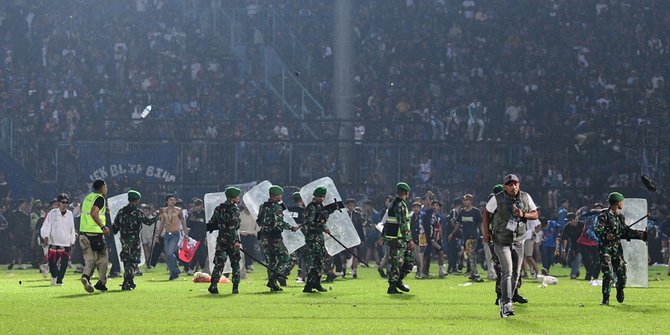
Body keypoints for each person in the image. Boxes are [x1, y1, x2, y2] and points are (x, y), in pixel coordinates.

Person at [482, 174, 538, 318]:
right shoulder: (497, 198)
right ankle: (506, 303)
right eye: (509, 184)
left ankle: (506, 299)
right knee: (507, 270)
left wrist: (523, 214)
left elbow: (535, 214)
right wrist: (486, 232)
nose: (513, 187)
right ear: (505, 186)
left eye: (515, 184)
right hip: (501, 240)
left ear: (519, 184)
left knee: (516, 274)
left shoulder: (526, 197)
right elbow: (486, 212)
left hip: (519, 240)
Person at [596, 192, 646, 305]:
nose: (622, 204)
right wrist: (606, 235)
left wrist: (638, 234)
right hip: (605, 249)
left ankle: (620, 289)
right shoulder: (603, 216)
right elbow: (597, 230)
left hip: (617, 250)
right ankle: (605, 299)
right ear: (618, 202)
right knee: (608, 274)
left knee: (622, 275)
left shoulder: (620, 217)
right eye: (621, 202)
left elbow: (625, 232)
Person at [112, 190, 160, 291]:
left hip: (124, 239)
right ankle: (127, 281)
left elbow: (115, 228)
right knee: (133, 261)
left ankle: (129, 280)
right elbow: (148, 222)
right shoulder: (137, 212)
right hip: (134, 240)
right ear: (137, 200)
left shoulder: (121, 211)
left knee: (126, 260)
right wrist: (158, 217)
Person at [257, 185, 298, 292]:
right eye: (280, 195)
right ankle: (273, 279)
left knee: (271, 261)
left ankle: (274, 285)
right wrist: (291, 227)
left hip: (263, 237)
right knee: (285, 258)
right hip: (274, 238)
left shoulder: (263, 206)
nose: (281, 197)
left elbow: (259, 220)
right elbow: (279, 223)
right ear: (275, 196)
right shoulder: (277, 207)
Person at [207, 187, 242, 295]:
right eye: (237, 196)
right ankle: (235, 287)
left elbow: (212, 223)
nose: (239, 198)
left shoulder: (218, 208)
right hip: (232, 240)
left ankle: (213, 285)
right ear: (234, 197)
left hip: (221, 239)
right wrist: (236, 242)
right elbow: (233, 227)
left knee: (219, 264)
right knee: (235, 263)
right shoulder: (235, 209)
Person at [79, 179, 112, 293]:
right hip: (96, 234)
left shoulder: (88, 197)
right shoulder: (100, 198)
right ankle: (101, 283)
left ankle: (86, 277)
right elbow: (93, 213)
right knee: (103, 259)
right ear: (102, 188)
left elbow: (87, 211)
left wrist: (104, 209)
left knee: (90, 260)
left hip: (83, 234)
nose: (106, 189)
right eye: (106, 187)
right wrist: (103, 227)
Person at [383, 182, 415, 294]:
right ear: (406, 193)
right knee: (397, 263)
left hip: (397, 238)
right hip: (398, 239)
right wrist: (409, 240)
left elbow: (388, 222)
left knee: (408, 260)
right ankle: (392, 286)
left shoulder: (394, 204)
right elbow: (403, 224)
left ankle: (398, 282)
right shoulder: (400, 205)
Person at [40, 194, 76, 286]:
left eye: (67, 202)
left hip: (66, 242)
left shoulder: (70, 214)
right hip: (54, 242)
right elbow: (46, 225)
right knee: (52, 263)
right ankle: (54, 276)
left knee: (64, 264)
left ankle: (59, 281)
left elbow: (72, 227)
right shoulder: (52, 213)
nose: (65, 204)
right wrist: (46, 236)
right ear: (59, 203)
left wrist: (72, 240)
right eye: (63, 202)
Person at [302, 186, 331, 293]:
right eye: (320, 197)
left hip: (319, 238)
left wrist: (324, 227)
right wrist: (322, 227)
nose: (322, 199)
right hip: (312, 238)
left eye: (323, 197)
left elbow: (322, 221)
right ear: (315, 196)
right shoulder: (311, 207)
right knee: (313, 262)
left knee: (320, 261)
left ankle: (317, 283)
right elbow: (309, 223)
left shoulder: (320, 207)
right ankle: (309, 285)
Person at [156, 194, 188, 280]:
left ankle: (175, 269)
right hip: (167, 234)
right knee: (168, 254)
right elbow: (162, 223)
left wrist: (186, 235)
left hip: (175, 233)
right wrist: (158, 235)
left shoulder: (178, 210)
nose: (173, 201)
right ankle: (173, 273)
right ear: (167, 201)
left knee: (170, 252)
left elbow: (183, 223)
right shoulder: (163, 210)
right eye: (171, 200)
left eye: (174, 200)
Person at [457, 194, 484, 282]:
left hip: (473, 236)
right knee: (469, 255)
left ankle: (475, 273)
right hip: (465, 236)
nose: (464, 201)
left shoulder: (475, 211)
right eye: (464, 200)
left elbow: (480, 224)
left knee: (471, 254)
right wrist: (453, 233)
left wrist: (484, 234)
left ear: (470, 201)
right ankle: (473, 272)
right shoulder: (462, 211)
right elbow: (458, 223)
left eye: (466, 200)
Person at [287, 192, 307, 283]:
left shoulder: (288, 210)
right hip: (301, 237)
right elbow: (304, 224)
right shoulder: (304, 211)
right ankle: (301, 276)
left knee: (292, 258)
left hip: (289, 237)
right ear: (302, 200)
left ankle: (283, 274)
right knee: (303, 257)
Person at [8, 199, 32, 270]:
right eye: (24, 204)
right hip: (16, 234)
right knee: (15, 249)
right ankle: (13, 261)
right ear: (21, 204)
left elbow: (28, 225)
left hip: (24, 235)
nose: (25, 205)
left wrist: (28, 235)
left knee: (22, 249)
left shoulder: (26, 214)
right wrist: (11, 233)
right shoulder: (14, 214)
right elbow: (10, 225)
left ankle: (19, 263)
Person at [186, 199, 207, 275]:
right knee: (193, 252)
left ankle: (197, 268)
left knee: (200, 252)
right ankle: (194, 268)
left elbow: (205, 224)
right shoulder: (192, 213)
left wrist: (197, 219)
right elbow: (188, 224)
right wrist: (191, 219)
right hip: (193, 235)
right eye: (195, 205)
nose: (195, 207)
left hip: (202, 235)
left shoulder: (205, 213)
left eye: (197, 205)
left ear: (201, 205)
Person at [345, 198, 365, 278]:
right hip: (346, 237)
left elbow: (360, 228)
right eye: (350, 205)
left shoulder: (358, 215)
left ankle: (354, 271)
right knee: (346, 254)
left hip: (355, 237)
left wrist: (362, 239)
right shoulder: (344, 214)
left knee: (355, 253)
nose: (351, 207)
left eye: (353, 205)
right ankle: (343, 268)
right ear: (347, 205)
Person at [561, 212, 584, 279]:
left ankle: (573, 274)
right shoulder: (567, 227)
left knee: (578, 258)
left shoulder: (581, 225)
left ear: (574, 219)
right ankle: (576, 271)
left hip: (582, 245)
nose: (569, 222)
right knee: (569, 261)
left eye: (570, 220)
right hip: (573, 245)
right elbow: (565, 238)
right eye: (568, 220)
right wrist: (564, 249)